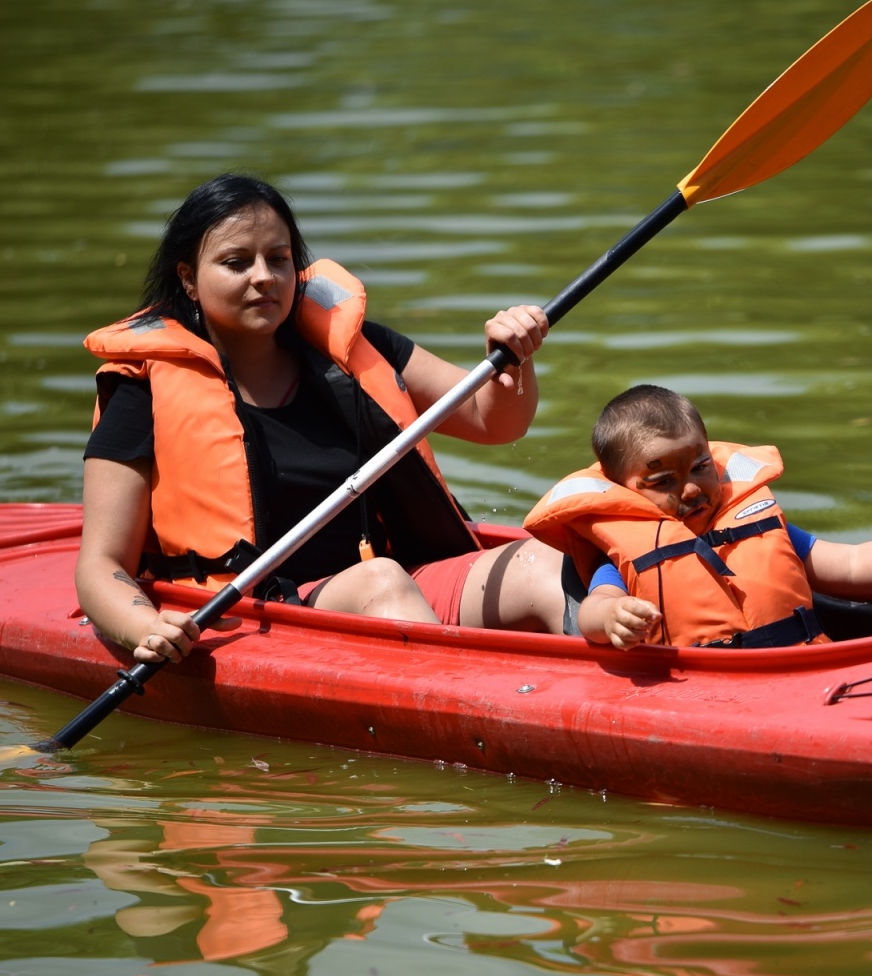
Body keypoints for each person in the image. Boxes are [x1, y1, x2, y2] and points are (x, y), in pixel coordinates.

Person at [76, 174, 567, 666]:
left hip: (392, 589)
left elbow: (492, 422)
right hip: (259, 617)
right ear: (188, 278)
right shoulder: (142, 389)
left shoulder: (354, 349)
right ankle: (472, 717)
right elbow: (102, 564)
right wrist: (144, 625)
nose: (263, 276)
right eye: (236, 263)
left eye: (279, 258)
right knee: (381, 581)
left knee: (545, 564)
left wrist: (512, 360)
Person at [524, 385, 872, 649]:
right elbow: (595, 603)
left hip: (806, 667)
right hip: (705, 690)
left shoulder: (754, 519)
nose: (691, 488)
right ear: (622, 491)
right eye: (663, 481)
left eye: (699, 467)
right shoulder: (624, 549)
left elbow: (854, 564)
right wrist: (611, 617)